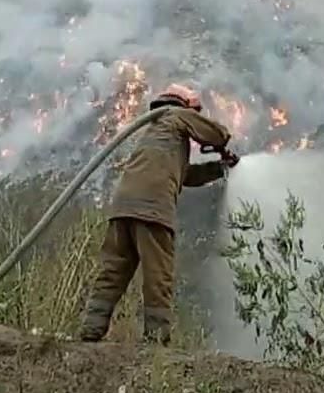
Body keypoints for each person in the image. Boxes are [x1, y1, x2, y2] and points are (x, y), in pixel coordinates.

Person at [80, 83, 240, 344]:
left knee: (113, 271)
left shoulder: (155, 132)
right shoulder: (177, 116)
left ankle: (91, 330)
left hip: (122, 208)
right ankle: (156, 342)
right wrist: (223, 143)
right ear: (185, 105)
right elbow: (216, 134)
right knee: (158, 276)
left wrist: (219, 168)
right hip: (152, 209)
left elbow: (184, 175)